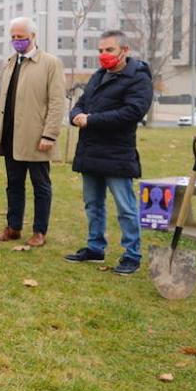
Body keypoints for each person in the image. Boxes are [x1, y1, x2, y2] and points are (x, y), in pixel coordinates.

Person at [63, 30, 153, 275]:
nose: (103, 55)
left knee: (125, 207)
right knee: (93, 204)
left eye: (109, 50)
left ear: (125, 50)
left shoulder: (138, 78)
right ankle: (95, 247)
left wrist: (91, 120)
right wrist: (76, 115)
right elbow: (81, 103)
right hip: (90, 151)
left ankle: (132, 255)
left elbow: (132, 112)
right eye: (100, 51)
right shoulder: (98, 75)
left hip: (117, 153)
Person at [0, 18, 65, 247]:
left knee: (40, 186)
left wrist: (49, 135)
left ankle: (39, 231)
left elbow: (56, 102)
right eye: (13, 37)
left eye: (21, 37)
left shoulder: (50, 63)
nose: (16, 41)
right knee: (13, 184)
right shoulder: (10, 63)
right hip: (11, 136)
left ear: (33, 36)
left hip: (36, 138)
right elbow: (1, 100)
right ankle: (13, 227)